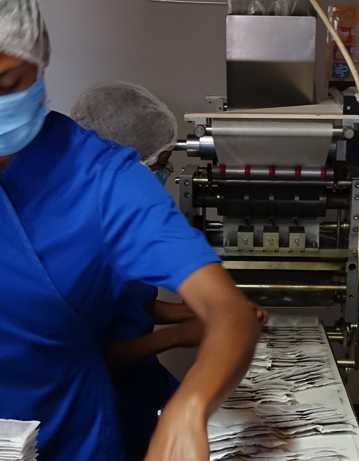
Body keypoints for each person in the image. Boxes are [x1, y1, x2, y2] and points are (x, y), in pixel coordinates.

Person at [0, 2, 262, 460]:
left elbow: (227, 313)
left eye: (4, 84)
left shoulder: (102, 179)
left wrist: (190, 407)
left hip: (69, 434)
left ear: (39, 61)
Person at [70, 81, 212, 460]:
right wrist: (181, 335)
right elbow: (100, 353)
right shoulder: (83, 232)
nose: (164, 177)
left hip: (139, 385)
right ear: (124, 162)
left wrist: (200, 311)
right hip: (106, 403)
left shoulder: (120, 218)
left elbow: (132, 304)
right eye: (160, 166)